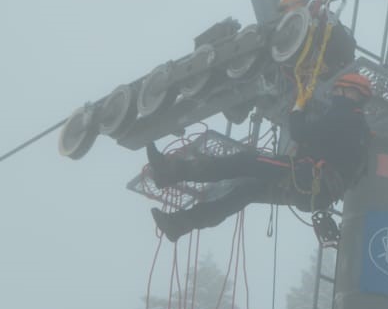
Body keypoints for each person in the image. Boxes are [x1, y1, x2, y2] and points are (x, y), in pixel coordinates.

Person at [147, 71, 374, 241]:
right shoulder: (360, 129)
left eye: (339, 91)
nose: (335, 95)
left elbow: (299, 133)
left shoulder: (344, 114)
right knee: (247, 191)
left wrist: (297, 110)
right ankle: (180, 224)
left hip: (305, 177)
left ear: (351, 93)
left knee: (246, 161)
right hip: (314, 194)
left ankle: (170, 172)